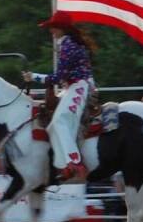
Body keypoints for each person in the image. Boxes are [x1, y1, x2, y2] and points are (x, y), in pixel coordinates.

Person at [22, 10, 97, 181]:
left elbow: (58, 78)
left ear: (61, 28)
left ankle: (75, 163)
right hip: (74, 86)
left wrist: (33, 77)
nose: (51, 31)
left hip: (79, 86)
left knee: (60, 120)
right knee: (52, 127)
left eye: (53, 27)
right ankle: (64, 166)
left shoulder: (68, 46)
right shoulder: (70, 44)